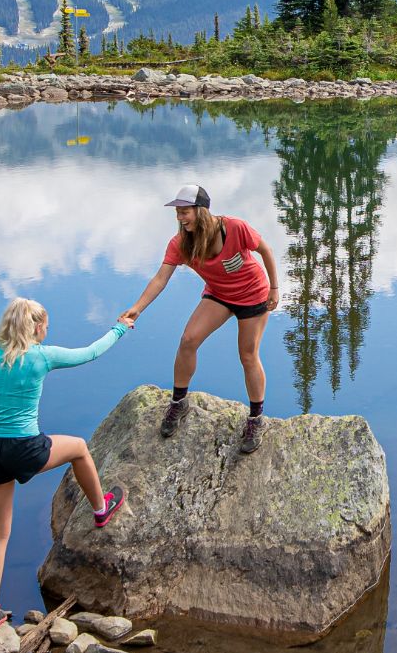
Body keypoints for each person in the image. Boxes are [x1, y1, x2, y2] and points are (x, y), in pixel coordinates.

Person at [0, 296, 128, 636]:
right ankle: (101, 509)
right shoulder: (41, 357)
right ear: (36, 327)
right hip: (25, 447)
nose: (47, 331)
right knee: (80, 448)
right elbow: (91, 352)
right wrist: (119, 328)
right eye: (45, 326)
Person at [118, 184, 280, 454]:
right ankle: (179, 402)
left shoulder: (234, 228)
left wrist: (274, 288)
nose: (181, 218)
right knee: (188, 340)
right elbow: (161, 279)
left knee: (248, 355)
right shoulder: (181, 243)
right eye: (178, 213)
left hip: (253, 295)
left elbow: (266, 251)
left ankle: (255, 419)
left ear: (201, 210)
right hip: (219, 295)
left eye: (185, 212)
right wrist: (137, 308)